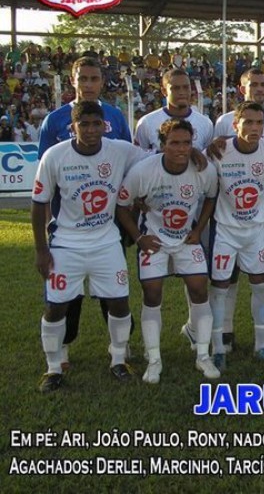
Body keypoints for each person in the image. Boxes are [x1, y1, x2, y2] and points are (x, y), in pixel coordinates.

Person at [32, 101, 146, 393]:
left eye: (97, 124)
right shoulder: (55, 155)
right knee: (56, 307)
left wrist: (196, 153)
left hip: (106, 241)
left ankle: (118, 359)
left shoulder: (120, 150)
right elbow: (39, 203)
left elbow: (154, 160)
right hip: (65, 244)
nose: (92, 130)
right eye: (84, 124)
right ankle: (53, 368)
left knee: (119, 302)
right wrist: (41, 250)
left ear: (105, 126)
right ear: (73, 127)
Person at [36, 56, 133, 371]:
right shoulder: (54, 121)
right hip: (67, 227)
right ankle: (63, 347)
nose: (89, 84)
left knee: (114, 291)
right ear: (73, 81)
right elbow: (45, 179)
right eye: (83, 79)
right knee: (67, 296)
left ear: (102, 82)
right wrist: (48, 229)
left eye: (94, 78)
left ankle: (119, 347)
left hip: (109, 223)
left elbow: (131, 165)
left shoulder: (115, 116)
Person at [116, 119, 219, 384]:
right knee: (152, 293)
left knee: (199, 288)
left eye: (187, 143)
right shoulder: (143, 171)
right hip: (154, 240)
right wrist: (139, 238)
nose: (181, 149)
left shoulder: (203, 169)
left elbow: (211, 197)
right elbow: (122, 205)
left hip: (186, 239)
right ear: (162, 145)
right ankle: (154, 359)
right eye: (174, 143)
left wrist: (199, 229)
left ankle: (203, 355)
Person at [211, 68, 264, 352]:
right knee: (222, 283)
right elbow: (208, 177)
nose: (255, 128)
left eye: (259, 123)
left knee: (261, 282)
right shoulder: (219, 145)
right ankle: (221, 338)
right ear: (235, 124)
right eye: (248, 123)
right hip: (225, 226)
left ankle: (261, 341)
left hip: (258, 225)